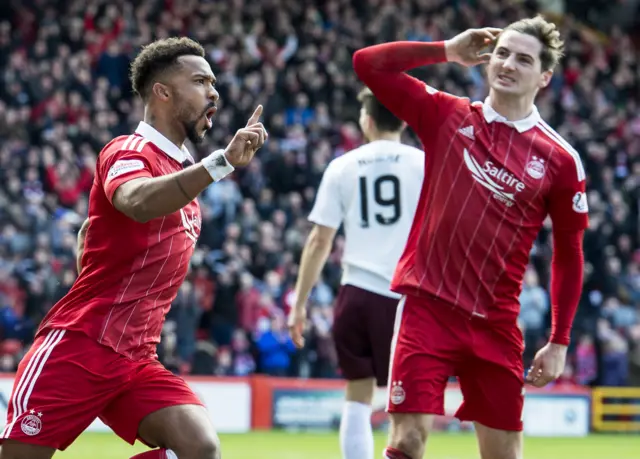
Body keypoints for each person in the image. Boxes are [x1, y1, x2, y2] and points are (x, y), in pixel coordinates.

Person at [0, 37, 267, 459]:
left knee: (200, 446)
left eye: (213, 82)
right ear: (162, 92)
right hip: (79, 346)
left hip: (135, 357)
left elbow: (96, 239)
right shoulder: (128, 150)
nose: (213, 92)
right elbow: (137, 202)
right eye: (200, 81)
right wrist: (220, 164)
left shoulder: (184, 183)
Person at [353, 16, 587, 459]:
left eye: (523, 59)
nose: (509, 64)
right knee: (406, 441)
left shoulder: (560, 160)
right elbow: (367, 64)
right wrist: (444, 50)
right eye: (502, 53)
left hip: (495, 324)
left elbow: (569, 254)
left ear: (545, 76)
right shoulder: (447, 113)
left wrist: (559, 341)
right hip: (427, 307)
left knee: (504, 454)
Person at [288, 88, 424, 459]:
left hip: (358, 291)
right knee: (409, 403)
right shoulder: (423, 164)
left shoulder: (343, 166)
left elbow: (319, 240)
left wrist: (299, 304)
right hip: (408, 297)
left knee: (357, 393)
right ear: (404, 120)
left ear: (366, 121)